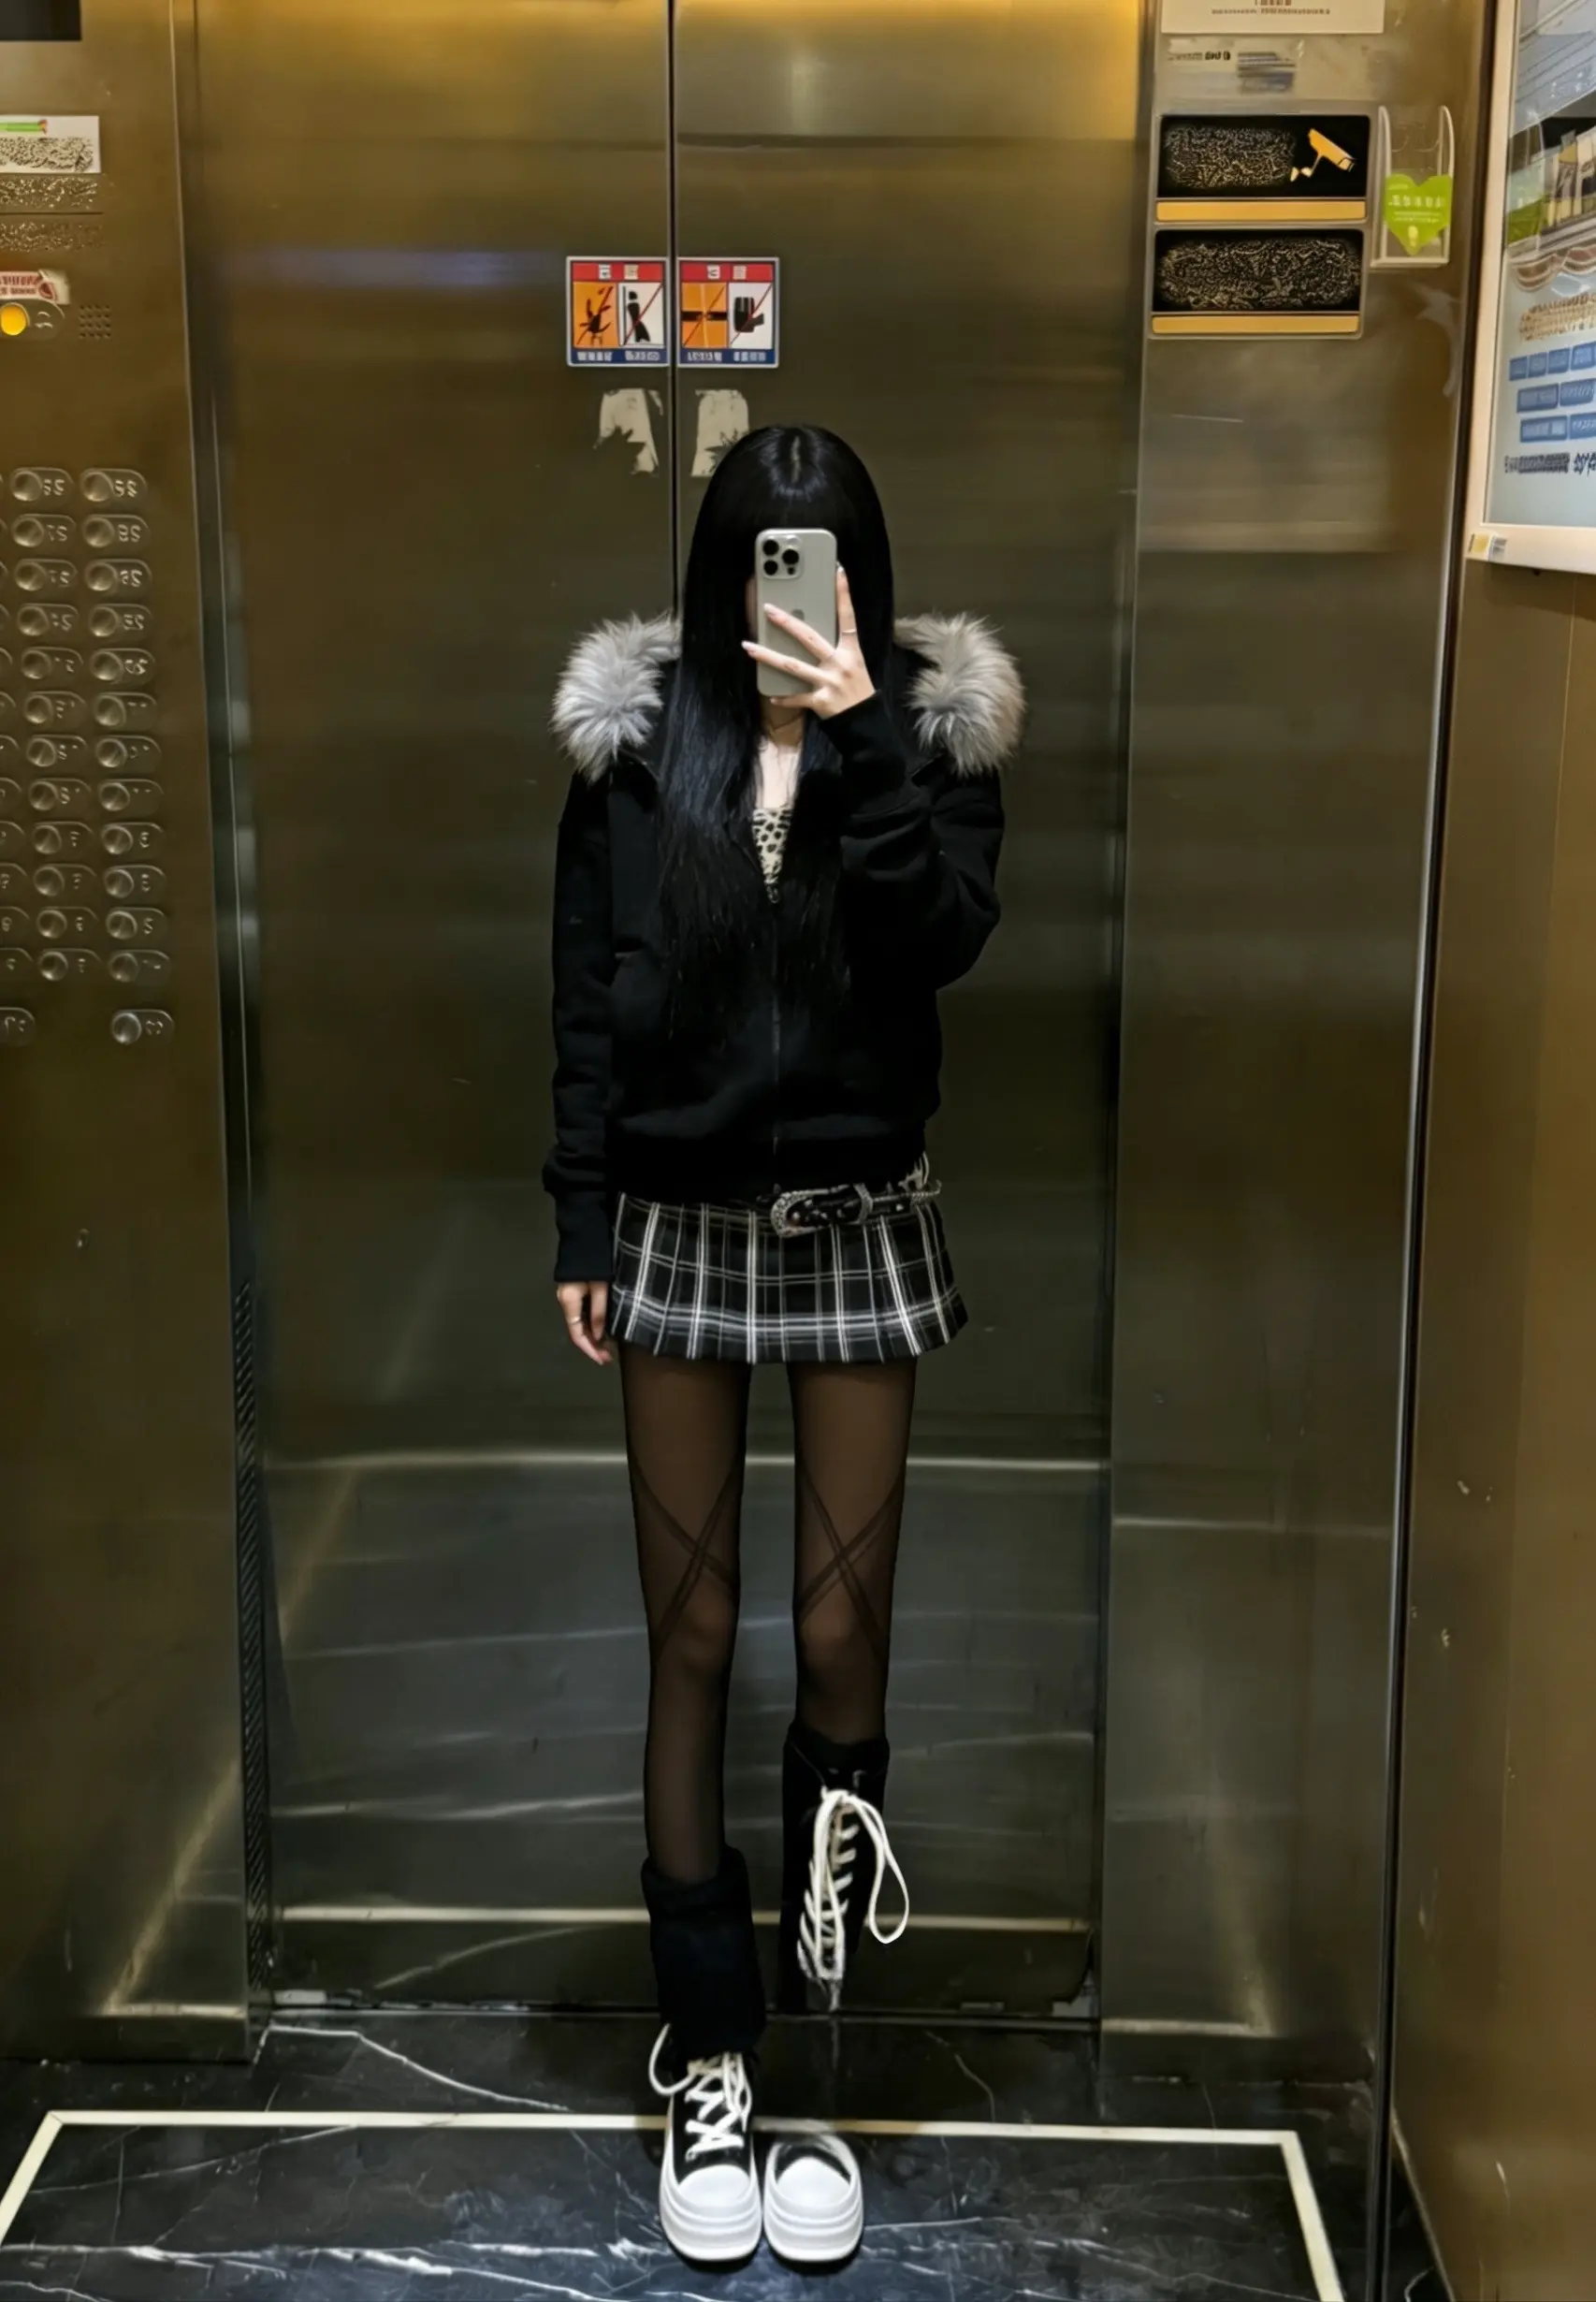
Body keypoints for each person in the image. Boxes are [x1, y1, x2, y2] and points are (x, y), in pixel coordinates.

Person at [544, 425, 1022, 2268]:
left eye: (822, 563)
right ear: (718, 571)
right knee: (689, 1634)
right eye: (764, 558)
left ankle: (816, 2052)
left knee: (837, 1635)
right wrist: (582, 1216)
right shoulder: (634, 747)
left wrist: (864, 735)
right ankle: (714, 2052)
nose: (791, 595)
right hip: (674, 1219)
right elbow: (586, 996)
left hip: (858, 1215)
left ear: (864, 579)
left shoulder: (932, 738)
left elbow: (942, 940)